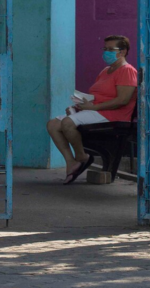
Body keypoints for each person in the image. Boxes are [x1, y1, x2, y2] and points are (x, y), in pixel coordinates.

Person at [46, 35, 138, 185]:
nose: (106, 52)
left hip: (113, 114)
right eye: (104, 49)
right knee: (53, 125)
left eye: (110, 49)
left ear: (122, 52)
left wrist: (93, 107)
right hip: (95, 111)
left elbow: (122, 100)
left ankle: (82, 157)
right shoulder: (105, 71)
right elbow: (97, 96)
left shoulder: (127, 71)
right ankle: (71, 162)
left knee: (68, 123)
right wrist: (79, 106)